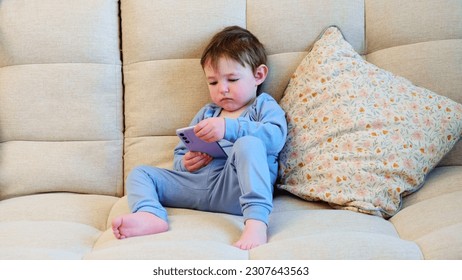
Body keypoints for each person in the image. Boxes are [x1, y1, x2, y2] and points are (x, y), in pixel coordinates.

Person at [112, 26, 287, 250]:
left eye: (232, 79)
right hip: (198, 187)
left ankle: (256, 221)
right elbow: (181, 152)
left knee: (249, 144)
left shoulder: (263, 106)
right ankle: (150, 214)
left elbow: (276, 138)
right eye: (213, 82)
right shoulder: (208, 112)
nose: (222, 89)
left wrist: (229, 127)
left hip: (235, 189)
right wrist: (185, 163)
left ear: (258, 75)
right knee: (141, 173)